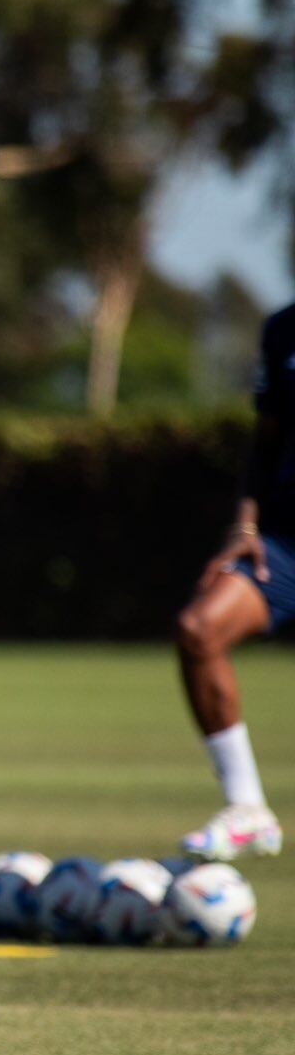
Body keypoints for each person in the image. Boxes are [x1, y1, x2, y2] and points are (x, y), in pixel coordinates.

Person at [173, 300, 295, 861]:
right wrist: (246, 524)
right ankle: (247, 808)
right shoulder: (284, 328)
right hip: (287, 548)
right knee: (200, 628)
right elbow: (266, 440)